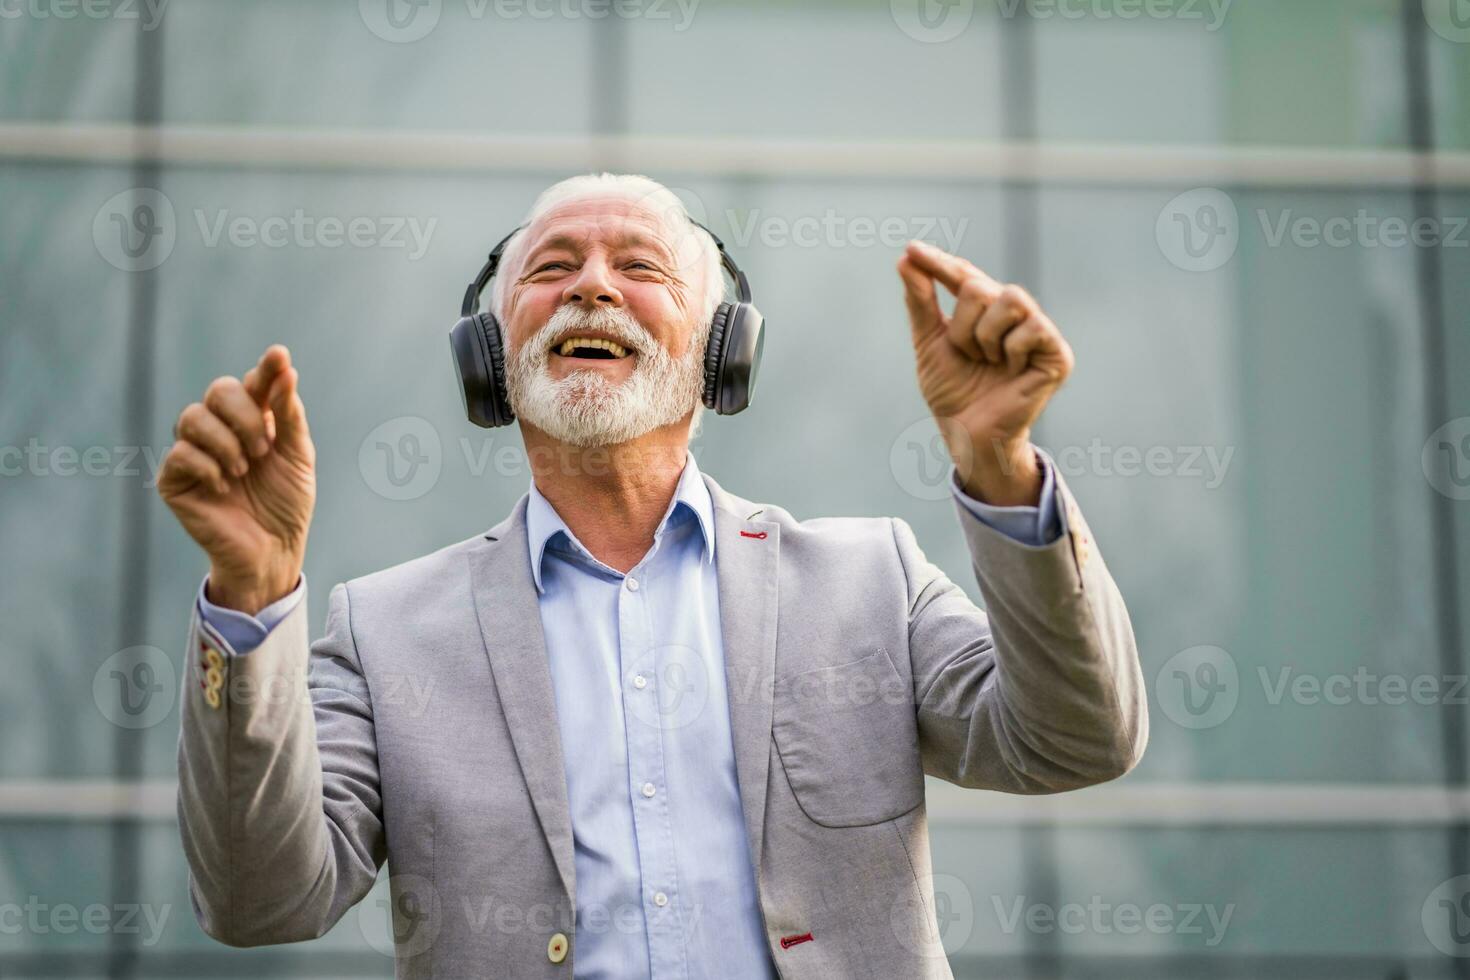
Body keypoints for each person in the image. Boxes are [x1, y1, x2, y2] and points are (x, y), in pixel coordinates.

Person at [159, 173, 1147, 979]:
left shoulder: (869, 581)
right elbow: (260, 899)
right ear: (489, 360)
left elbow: (1077, 739)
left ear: (721, 354)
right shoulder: (381, 631)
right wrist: (253, 591)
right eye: (551, 269)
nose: (591, 287)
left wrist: (1001, 468)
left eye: (639, 268)